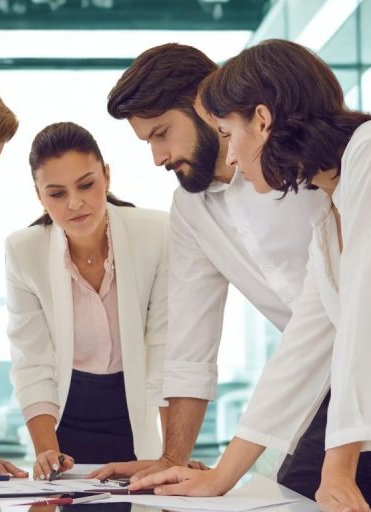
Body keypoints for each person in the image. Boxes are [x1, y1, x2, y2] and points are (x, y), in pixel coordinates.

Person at [130, 39, 371, 512]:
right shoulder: (327, 211)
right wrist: (220, 476)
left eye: (228, 134)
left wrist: (339, 467)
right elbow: (308, 338)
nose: (231, 157)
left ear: (261, 119)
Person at [92, 43, 326, 483]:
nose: (157, 157)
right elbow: (190, 342)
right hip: (327, 391)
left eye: (162, 133)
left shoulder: (303, 163)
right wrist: (172, 458)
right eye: (148, 142)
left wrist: (225, 474)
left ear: (205, 103)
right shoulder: (190, 209)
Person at [5, 122, 169, 480]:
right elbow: (31, 361)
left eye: (86, 184)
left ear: (107, 176)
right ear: (39, 196)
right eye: (56, 193)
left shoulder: (156, 234)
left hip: (133, 411)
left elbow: (163, 350)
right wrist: (46, 451)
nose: (75, 203)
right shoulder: (24, 251)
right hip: (64, 416)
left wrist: (173, 454)